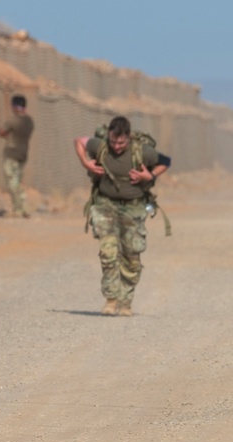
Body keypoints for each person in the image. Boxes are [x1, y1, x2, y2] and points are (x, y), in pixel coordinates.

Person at [74, 116, 170, 317]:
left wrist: (149, 176)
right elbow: (79, 141)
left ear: (128, 138)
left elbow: (165, 161)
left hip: (133, 208)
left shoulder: (141, 151)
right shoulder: (101, 146)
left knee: (131, 256)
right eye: (113, 141)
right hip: (105, 205)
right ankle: (110, 299)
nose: (117, 146)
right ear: (108, 136)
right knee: (108, 253)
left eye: (121, 142)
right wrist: (86, 163)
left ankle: (125, 302)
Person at [0, 94, 35, 218]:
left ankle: (20, 208)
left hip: (11, 154)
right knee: (17, 181)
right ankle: (22, 207)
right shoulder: (29, 121)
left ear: (14, 106)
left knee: (12, 182)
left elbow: (1, 131)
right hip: (23, 154)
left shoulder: (12, 120)